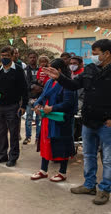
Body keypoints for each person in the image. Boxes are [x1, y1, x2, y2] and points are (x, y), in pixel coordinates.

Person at [44, 39, 111, 205]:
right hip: (88, 120)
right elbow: (74, 85)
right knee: (88, 155)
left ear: (107, 54)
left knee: (108, 159)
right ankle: (89, 185)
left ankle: (105, 189)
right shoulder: (89, 69)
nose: (93, 57)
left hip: (106, 123)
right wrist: (60, 77)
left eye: (96, 54)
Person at [30, 58, 77, 182]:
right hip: (47, 118)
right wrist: (36, 104)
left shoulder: (67, 84)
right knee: (45, 143)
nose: (48, 71)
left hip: (61, 120)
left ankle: (62, 172)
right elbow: (43, 96)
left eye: (51, 69)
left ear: (59, 70)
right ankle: (43, 170)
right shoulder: (50, 82)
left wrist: (51, 108)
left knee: (62, 146)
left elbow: (68, 103)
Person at [0, 46, 28, 167]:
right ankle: (2, 155)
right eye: (2, 56)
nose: (4, 58)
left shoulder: (18, 70)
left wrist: (24, 106)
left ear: (12, 56)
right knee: (1, 132)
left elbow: (24, 89)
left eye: (7, 56)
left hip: (13, 107)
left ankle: (13, 157)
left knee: (14, 133)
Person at [24, 51, 41, 145]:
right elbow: (24, 84)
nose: (32, 59)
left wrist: (40, 88)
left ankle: (38, 138)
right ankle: (28, 137)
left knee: (39, 118)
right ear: (28, 59)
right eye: (30, 57)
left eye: (34, 57)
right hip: (29, 97)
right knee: (28, 118)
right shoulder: (25, 70)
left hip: (40, 97)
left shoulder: (41, 69)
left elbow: (44, 80)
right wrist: (32, 87)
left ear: (36, 58)